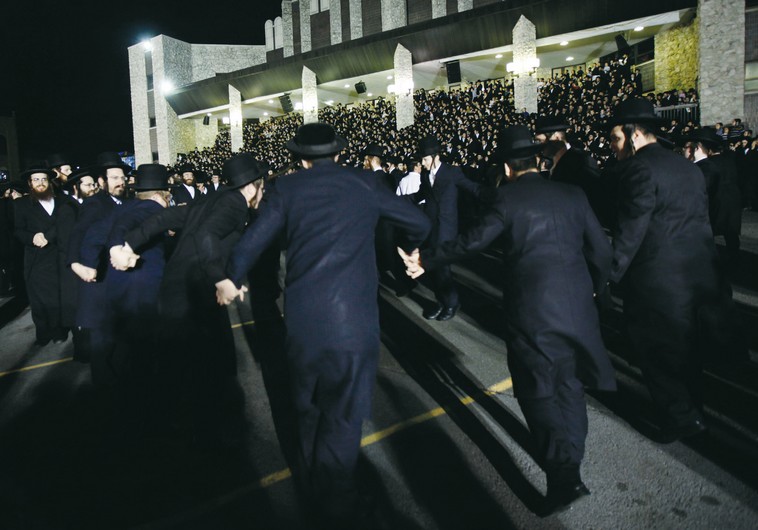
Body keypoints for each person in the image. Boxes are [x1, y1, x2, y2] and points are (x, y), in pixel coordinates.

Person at [217, 123, 431, 529]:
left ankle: (316, 482)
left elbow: (251, 241)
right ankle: (335, 506)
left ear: (300, 158)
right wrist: (415, 252)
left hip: (301, 319)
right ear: (339, 153)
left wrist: (232, 275)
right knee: (344, 415)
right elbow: (418, 221)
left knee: (308, 407)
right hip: (353, 322)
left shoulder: (286, 189)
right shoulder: (365, 182)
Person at [400, 125, 616, 514]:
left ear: (506, 166)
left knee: (539, 390)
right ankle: (572, 463)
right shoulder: (573, 193)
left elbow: (471, 242)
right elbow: (601, 250)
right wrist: (597, 290)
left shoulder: (507, 199)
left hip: (533, 311)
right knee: (570, 386)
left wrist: (425, 260)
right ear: (536, 159)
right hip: (579, 307)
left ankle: (565, 476)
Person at [110, 153, 266, 447]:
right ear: (251, 186)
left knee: (183, 364)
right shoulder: (234, 204)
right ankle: (197, 435)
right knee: (208, 367)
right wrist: (221, 279)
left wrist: (128, 243)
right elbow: (207, 235)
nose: (263, 192)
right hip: (194, 295)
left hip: (177, 292)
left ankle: (174, 427)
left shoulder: (210, 202)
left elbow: (164, 218)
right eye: (262, 186)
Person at [606, 98, 721, 442]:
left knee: (653, 351)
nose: (612, 147)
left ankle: (682, 417)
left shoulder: (639, 169)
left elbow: (631, 231)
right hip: (697, 274)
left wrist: (607, 275)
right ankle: (694, 409)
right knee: (688, 351)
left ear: (634, 135)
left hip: (657, 282)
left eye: (615, 139)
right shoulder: (686, 167)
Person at [67, 151, 130, 367]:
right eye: (114, 178)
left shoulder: (127, 202)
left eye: (122, 178)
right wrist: (77, 264)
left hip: (123, 280)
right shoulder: (95, 204)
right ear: (102, 181)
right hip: (101, 279)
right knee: (103, 341)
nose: (120, 182)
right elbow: (78, 234)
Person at [413, 136, 482, 321]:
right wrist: (398, 199)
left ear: (435, 157)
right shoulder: (425, 175)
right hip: (430, 228)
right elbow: (419, 195)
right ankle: (442, 302)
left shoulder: (452, 172)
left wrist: (498, 196)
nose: (423, 163)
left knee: (442, 268)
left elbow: (473, 188)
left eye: (425, 159)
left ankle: (451, 303)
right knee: (433, 268)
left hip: (446, 229)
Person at [13, 163, 77, 345]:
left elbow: (65, 224)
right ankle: (43, 331)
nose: (40, 183)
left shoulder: (63, 201)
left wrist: (48, 236)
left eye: (43, 179)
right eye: (36, 180)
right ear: (30, 183)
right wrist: (32, 237)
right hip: (37, 259)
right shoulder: (22, 204)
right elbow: (18, 230)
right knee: (40, 297)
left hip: (59, 255)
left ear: (49, 182)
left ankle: (59, 331)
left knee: (58, 295)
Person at [686, 127, 742, 268]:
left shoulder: (709, 165)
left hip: (718, 198)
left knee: (711, 230)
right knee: (731, 233)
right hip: (733, 198)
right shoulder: (729, 160)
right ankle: (734, 256)